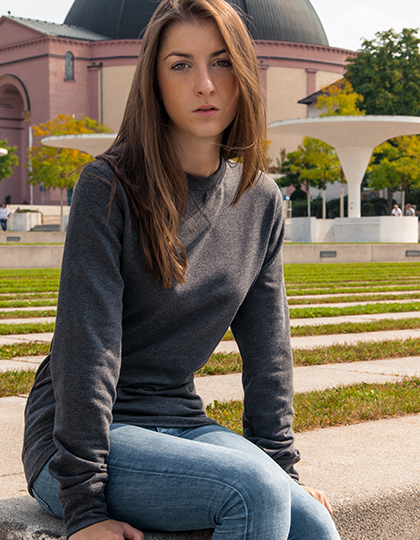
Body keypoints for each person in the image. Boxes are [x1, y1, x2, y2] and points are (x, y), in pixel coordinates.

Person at [22, 1, 340, 540]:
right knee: (255, 493)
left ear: (244, 74)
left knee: (313, 525)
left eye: (221, 62)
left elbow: (269, 351)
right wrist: (85, 508)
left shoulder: (260, 199)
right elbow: (86, 349)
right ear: (154, 80)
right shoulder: (109, 186)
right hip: (77, 444)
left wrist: (282, 469)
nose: (205, 85)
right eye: (180, 65)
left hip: (178, 419)